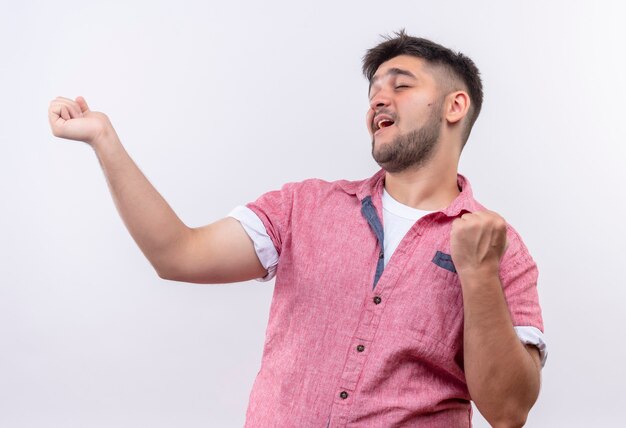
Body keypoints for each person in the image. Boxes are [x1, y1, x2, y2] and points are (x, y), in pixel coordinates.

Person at [48, 30, 546, 427]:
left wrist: (479, 276)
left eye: (400, 85)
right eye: (373, 93)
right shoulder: (303, 206)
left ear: (454, 106)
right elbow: (177, 255)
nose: (378, 101)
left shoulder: (501, 248)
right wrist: (103, 140)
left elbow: (507, 411)